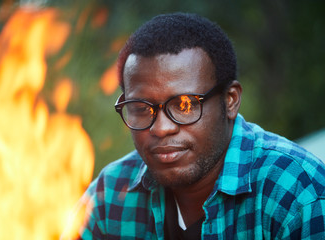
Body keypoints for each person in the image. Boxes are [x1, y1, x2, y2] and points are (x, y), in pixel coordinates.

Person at [67, 12, 325, 239]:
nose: (161, 128)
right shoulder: (109, 195)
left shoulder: (297, 193)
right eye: (141, 109)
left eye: (185, 105)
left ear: (230, 101)